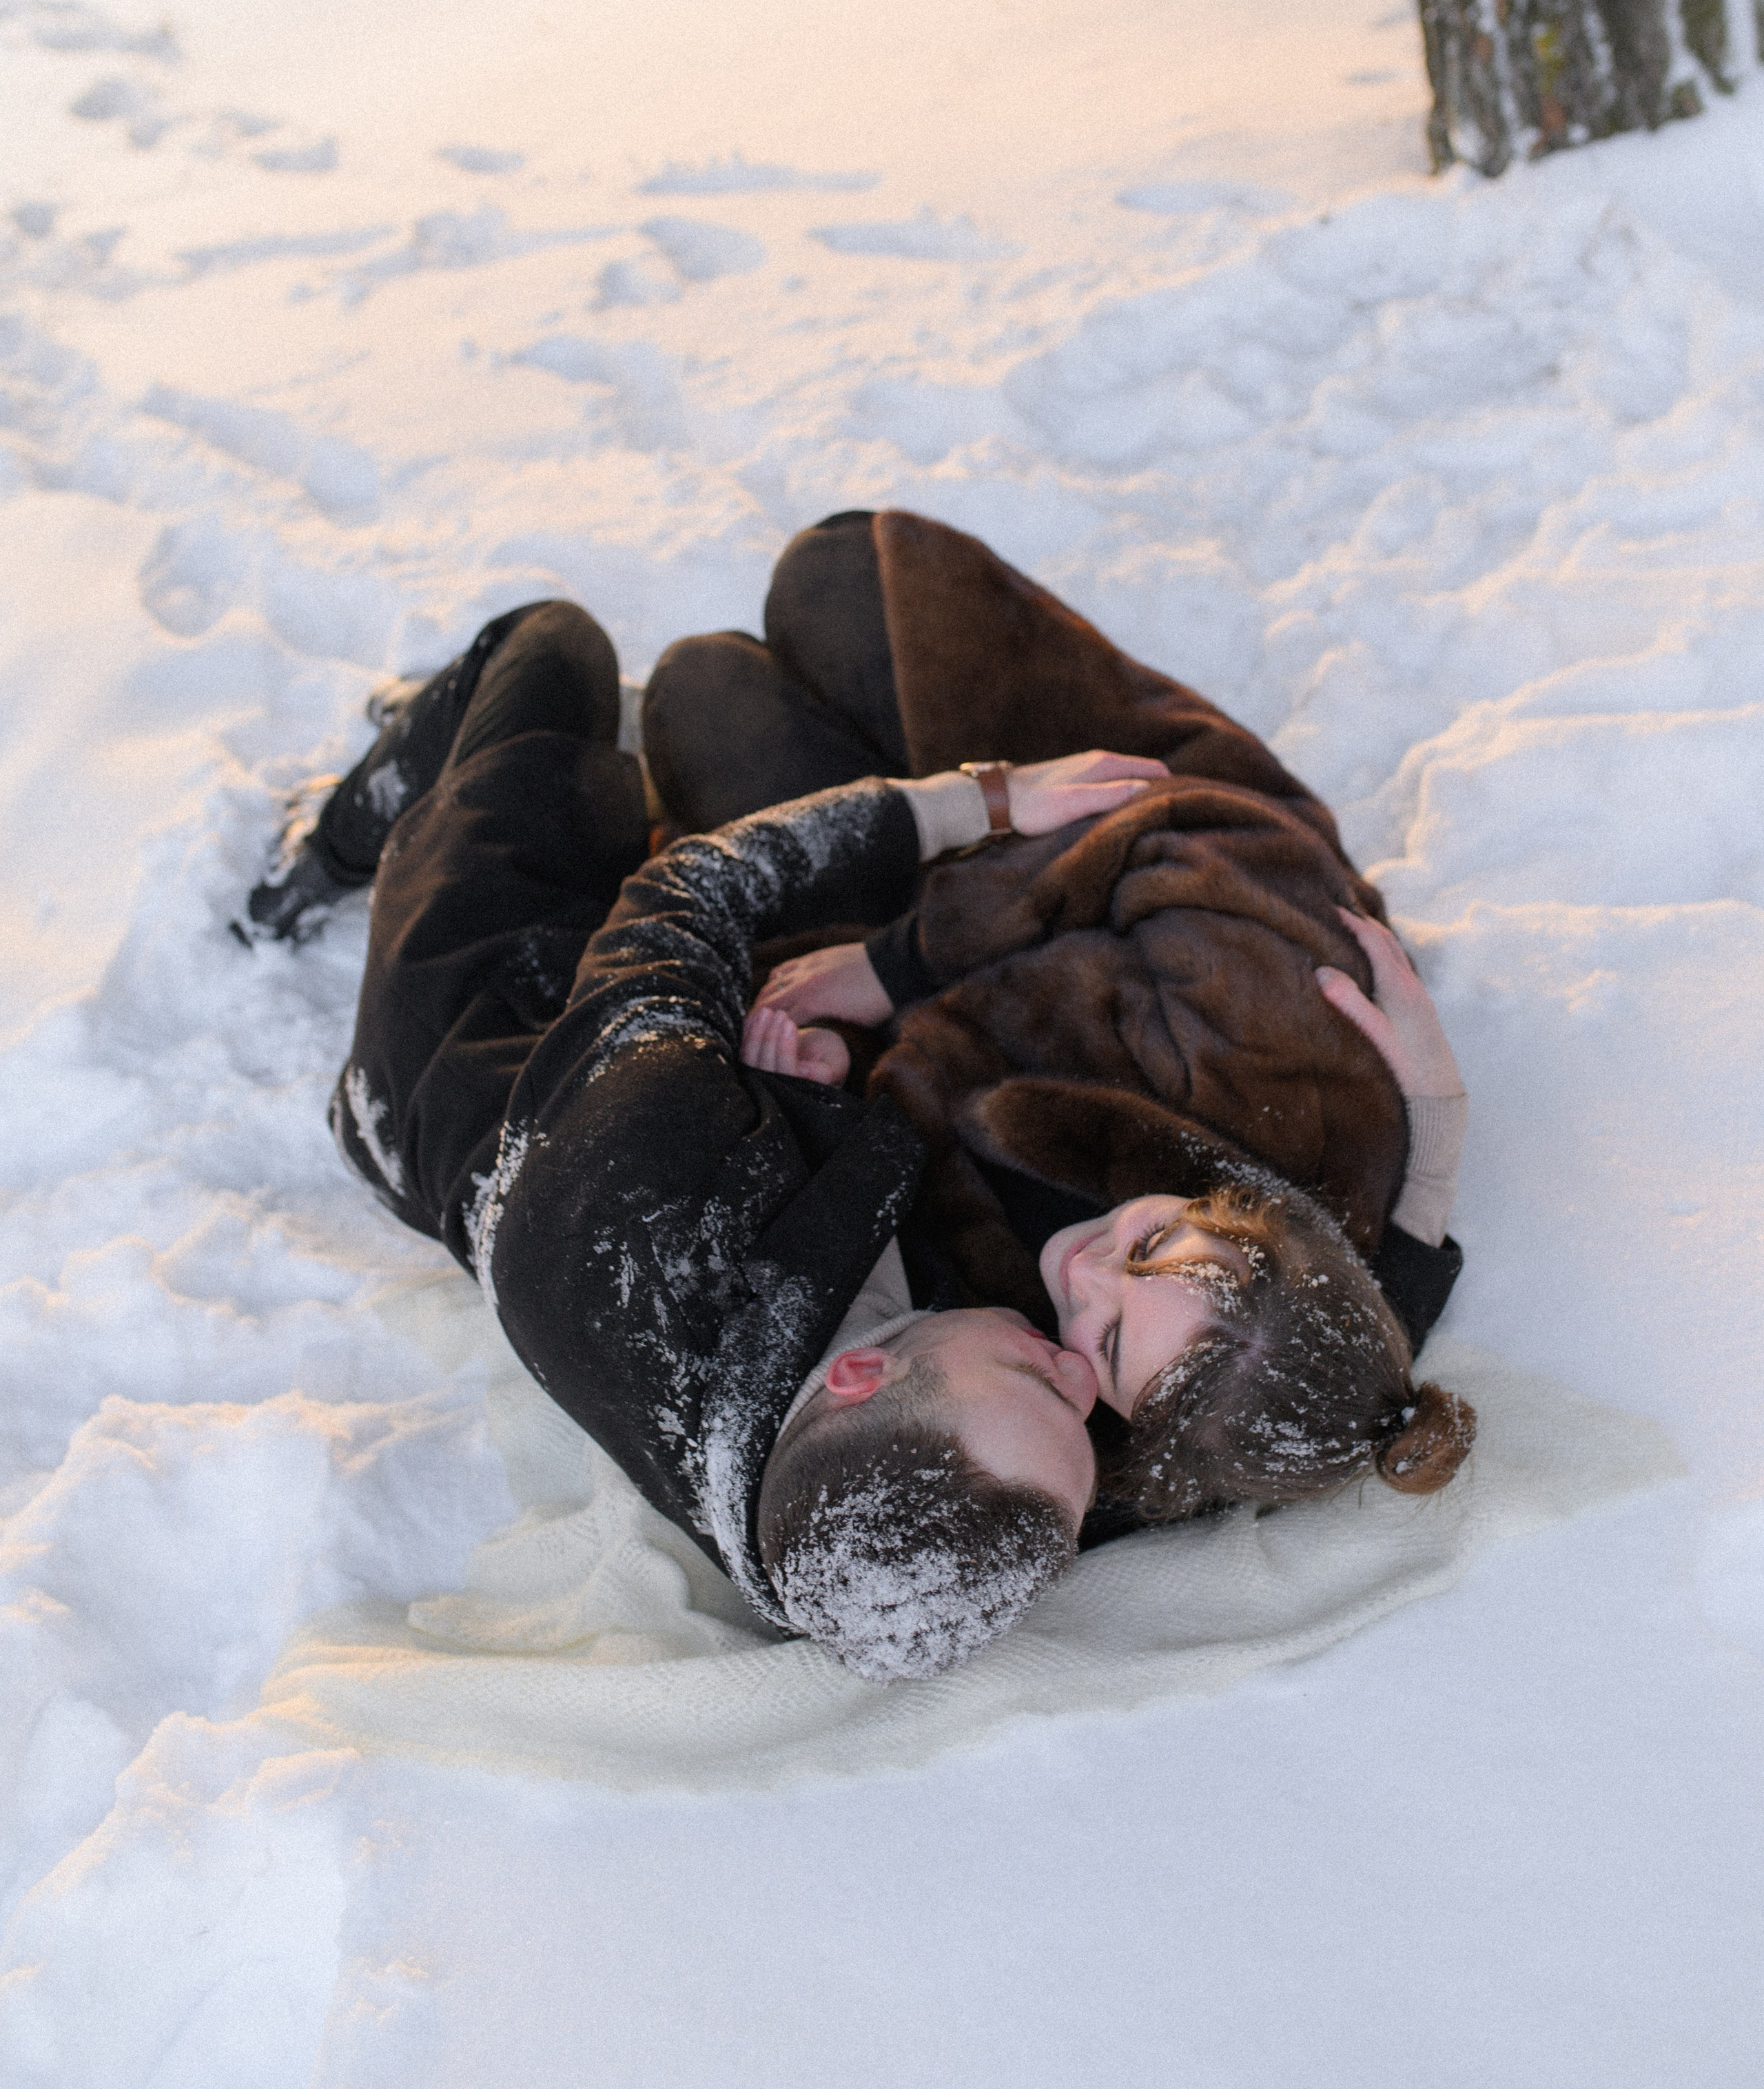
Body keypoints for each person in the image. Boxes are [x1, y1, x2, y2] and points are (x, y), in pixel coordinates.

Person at [252, 596, 1166, 1678]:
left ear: (861, 1376)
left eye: (1039, 1385)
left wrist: (986, 800)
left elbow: (685, 895)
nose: (1075, 1367)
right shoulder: (872, 1527)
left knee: (553, 649)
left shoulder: (659, 1179)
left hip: (474, 1022)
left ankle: (335, 840)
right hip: (607, 1113)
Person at [644, 508, 1477, 1532]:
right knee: (840, 570)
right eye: (1156, 1238)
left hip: (911, 980)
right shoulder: (1305, 1086)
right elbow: (1177, 834)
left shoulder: (1058, 1428)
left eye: (1113, 1344)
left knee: (700, 690)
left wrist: (820, 1086)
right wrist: (895, 958)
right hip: (1095, 820)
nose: (1083, 1273)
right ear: (1256, 1215)